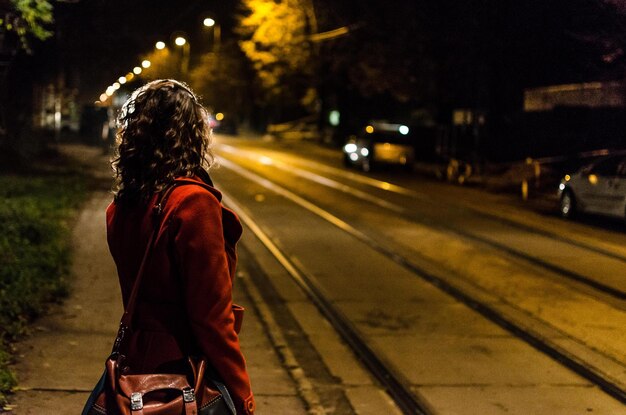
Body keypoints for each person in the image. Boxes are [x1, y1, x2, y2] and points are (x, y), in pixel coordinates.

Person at [105, 79, 255, 414]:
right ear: (192, 136)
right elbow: (211, 317)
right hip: (183, 375)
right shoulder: (193, 205)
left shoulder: (122, 206)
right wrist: (241, 392)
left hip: (133, 368)